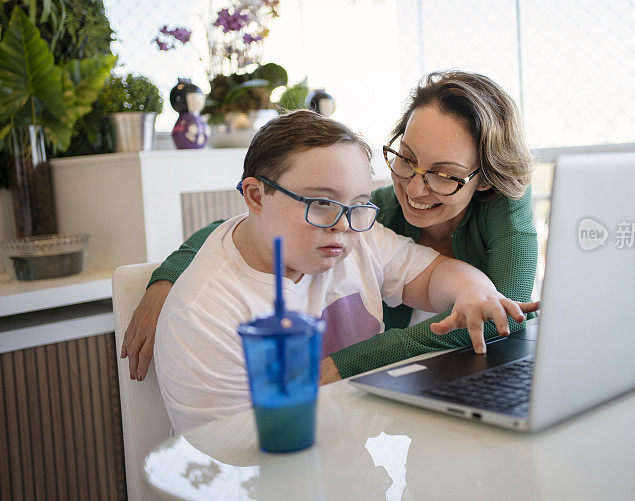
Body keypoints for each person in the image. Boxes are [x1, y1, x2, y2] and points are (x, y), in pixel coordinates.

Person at [122, 70, 538, 382]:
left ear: (484, 176)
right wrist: (167, 280)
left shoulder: (507, 211)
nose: (414, 186)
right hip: (393, 390)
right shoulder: (369, 216)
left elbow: (499, 318)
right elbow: (245, 220)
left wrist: (341, 366)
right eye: (406, 158)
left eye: (444, 175)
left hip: (468, 375)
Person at [155, 110, 535, 431]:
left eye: (358, 204)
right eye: (321, 203)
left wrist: (473, 291)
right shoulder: (204, 313)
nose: (342, 225)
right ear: (256, 196)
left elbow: (437, 276)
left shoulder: (361, 237)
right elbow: (233, 455)